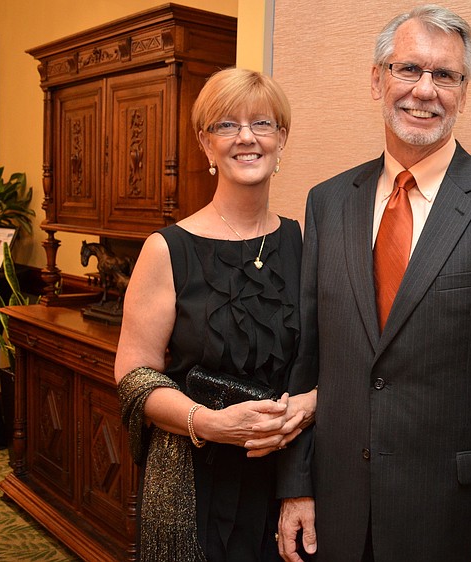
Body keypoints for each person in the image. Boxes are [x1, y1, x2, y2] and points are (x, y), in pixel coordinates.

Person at [277, 5, 471, 562]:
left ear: (464, 91)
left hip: (455, 515)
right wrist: (297, 483)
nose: (424, 90)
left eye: (446, 75)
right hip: (338, 506)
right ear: (377, 79)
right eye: (408, 69)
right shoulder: (328, 202)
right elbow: (307, 360)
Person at [114, 67, 316, 562]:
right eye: (226, 125)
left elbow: (329, 357)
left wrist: (308, 405)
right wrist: (209, 423)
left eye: (262, 124)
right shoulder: (166, 249)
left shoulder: (303, 241)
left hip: (285, 475)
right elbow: (133, 375)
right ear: (205, 144)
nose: (246, 137)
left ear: (281, 138)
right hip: (192, 475)